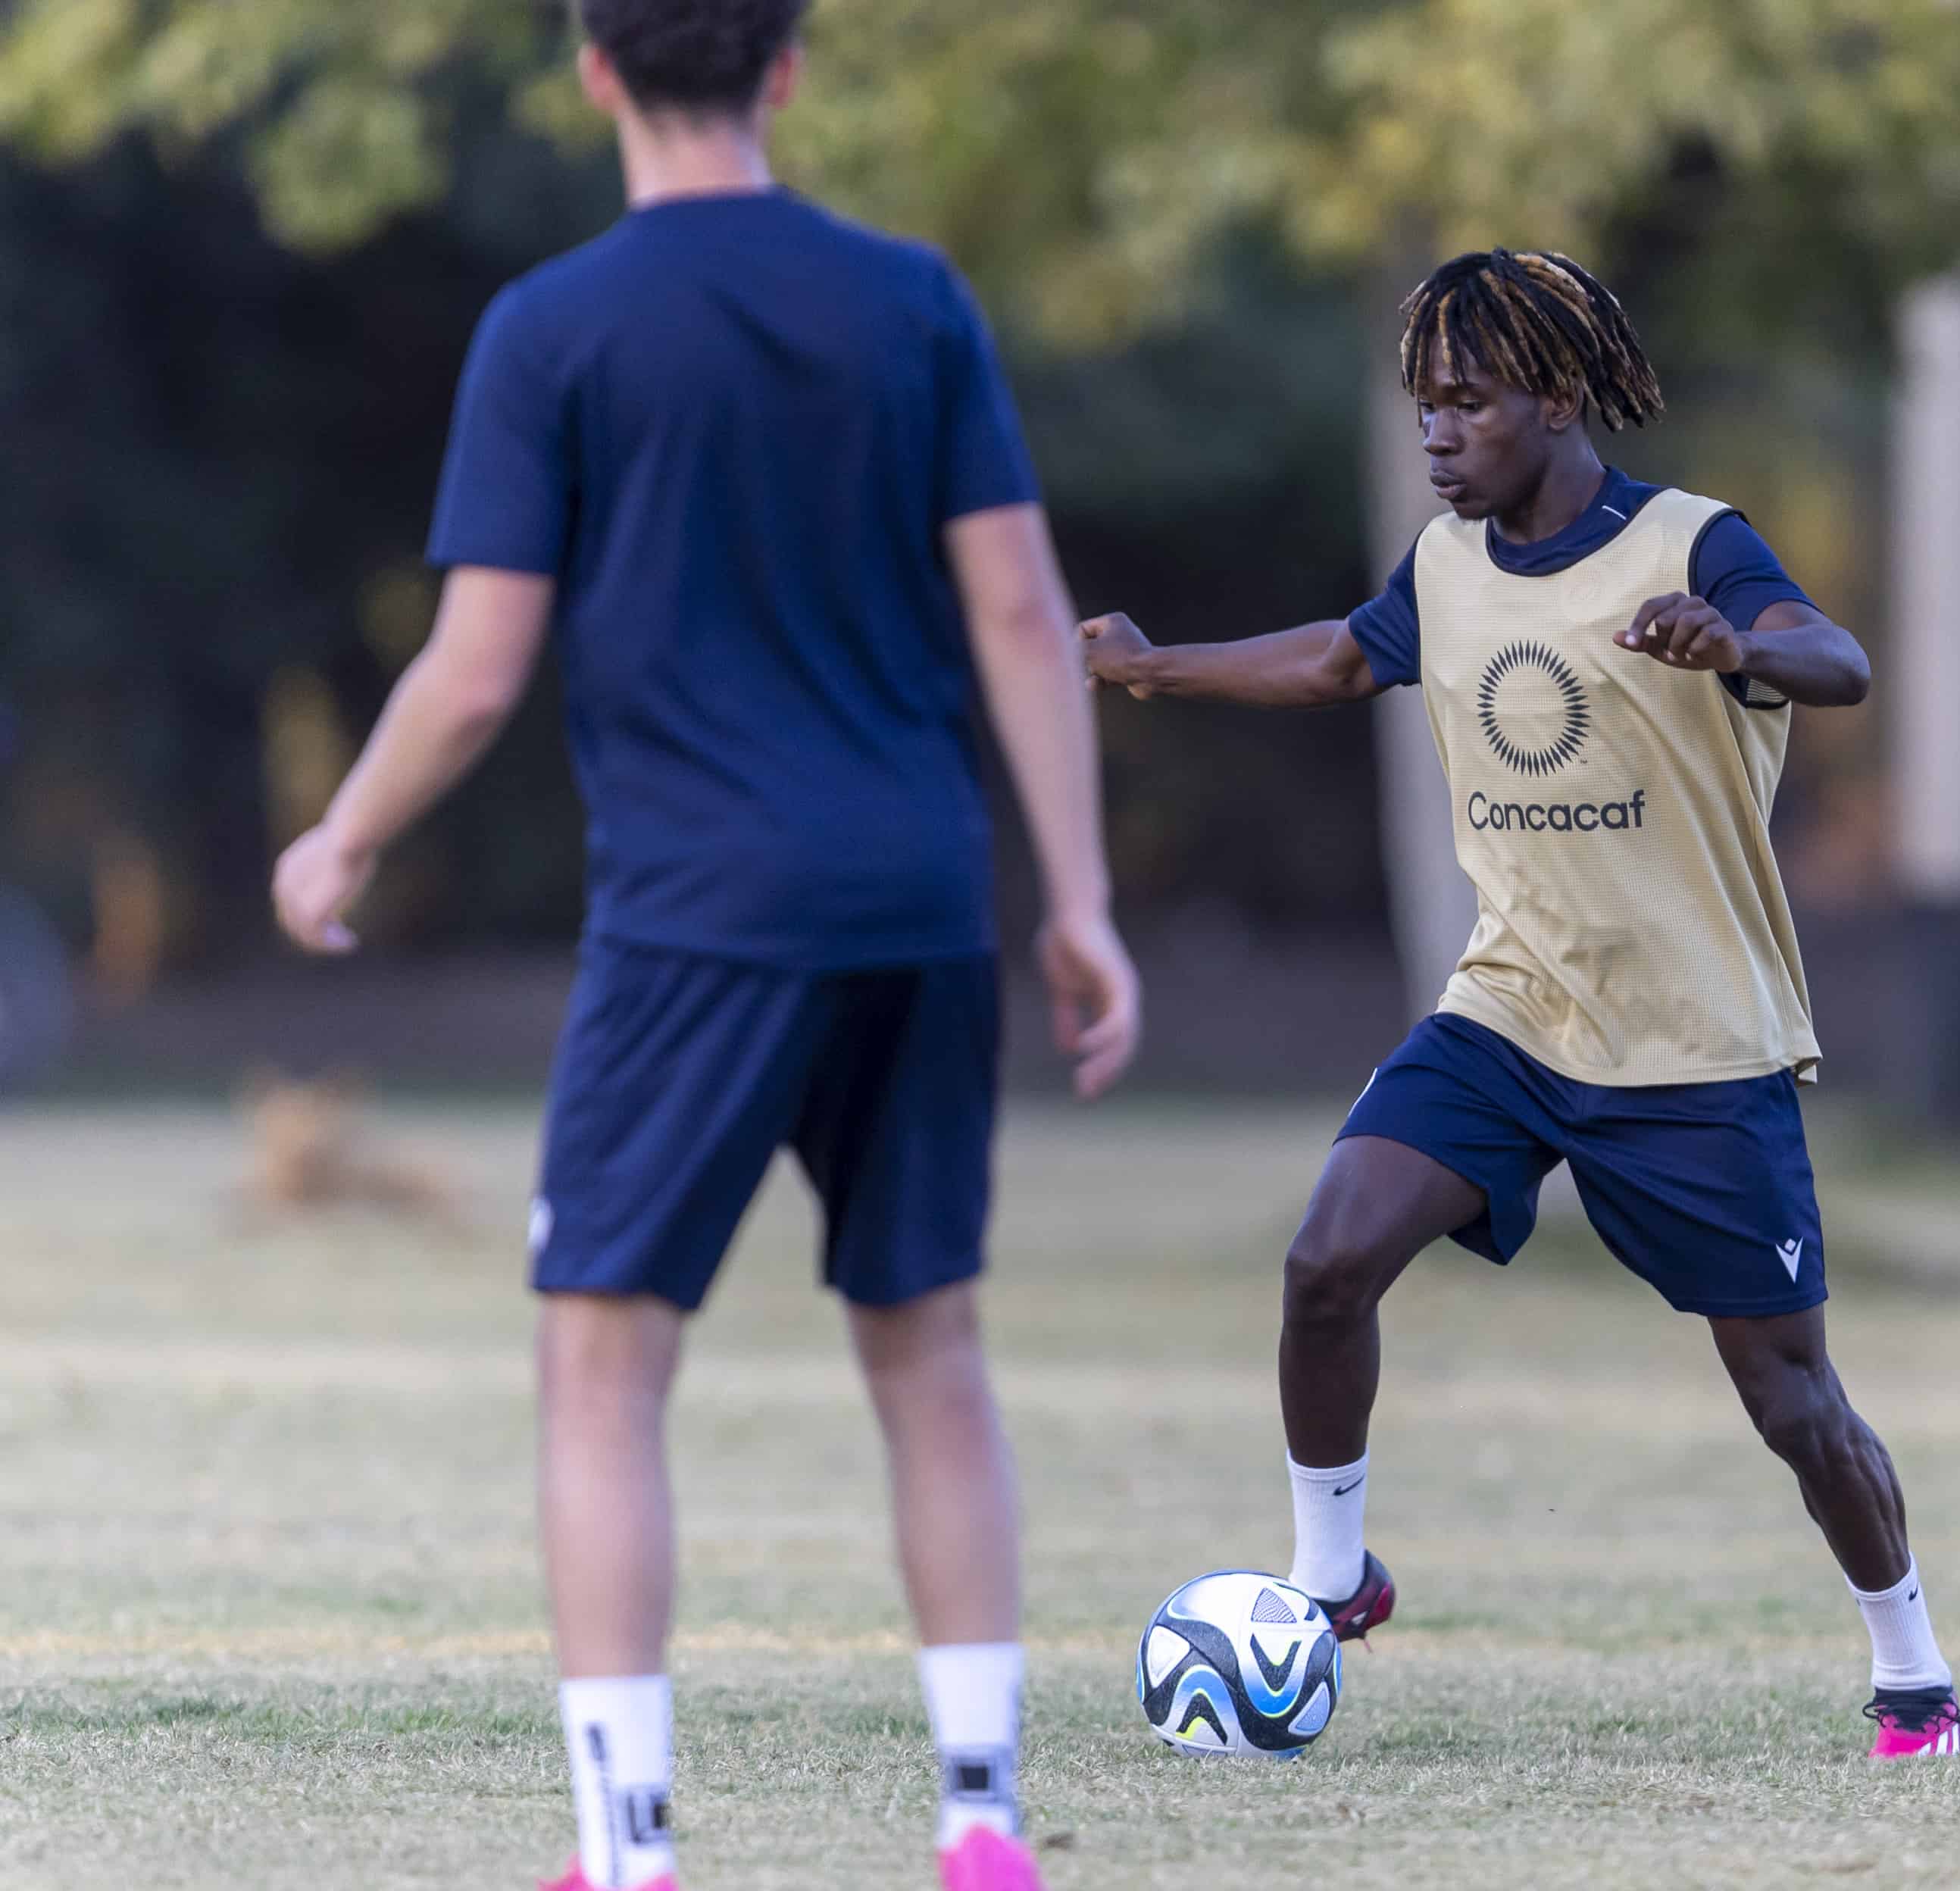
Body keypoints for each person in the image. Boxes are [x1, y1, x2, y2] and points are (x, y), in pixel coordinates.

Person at [270, 3, 1139, 1886]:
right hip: (917, 894)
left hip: (697, 918)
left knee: (602, 1367)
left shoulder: (553, 327)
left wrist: (342, 831)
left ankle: (630, 1848)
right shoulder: (914, 303)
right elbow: (1016, 610)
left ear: (593, 72)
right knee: (929, 1350)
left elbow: (481, 665)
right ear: (786, 70)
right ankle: (983, 1823)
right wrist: (1075, 899)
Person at [1080, 249, 1960, 1761]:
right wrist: (1157, 668)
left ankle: (1915, 1680)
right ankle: (1330, 1579)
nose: (1437, 434)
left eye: (1467, 403)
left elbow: (1843, 661)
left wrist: (1739, 642)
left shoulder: (1695, 544)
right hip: (1511, 1011)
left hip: (1694, 1050)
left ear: (1557, 401)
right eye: (1423, 405)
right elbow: (1337, 661)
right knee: (1325, 1261)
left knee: (1794, 1404)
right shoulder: (1444, 568)